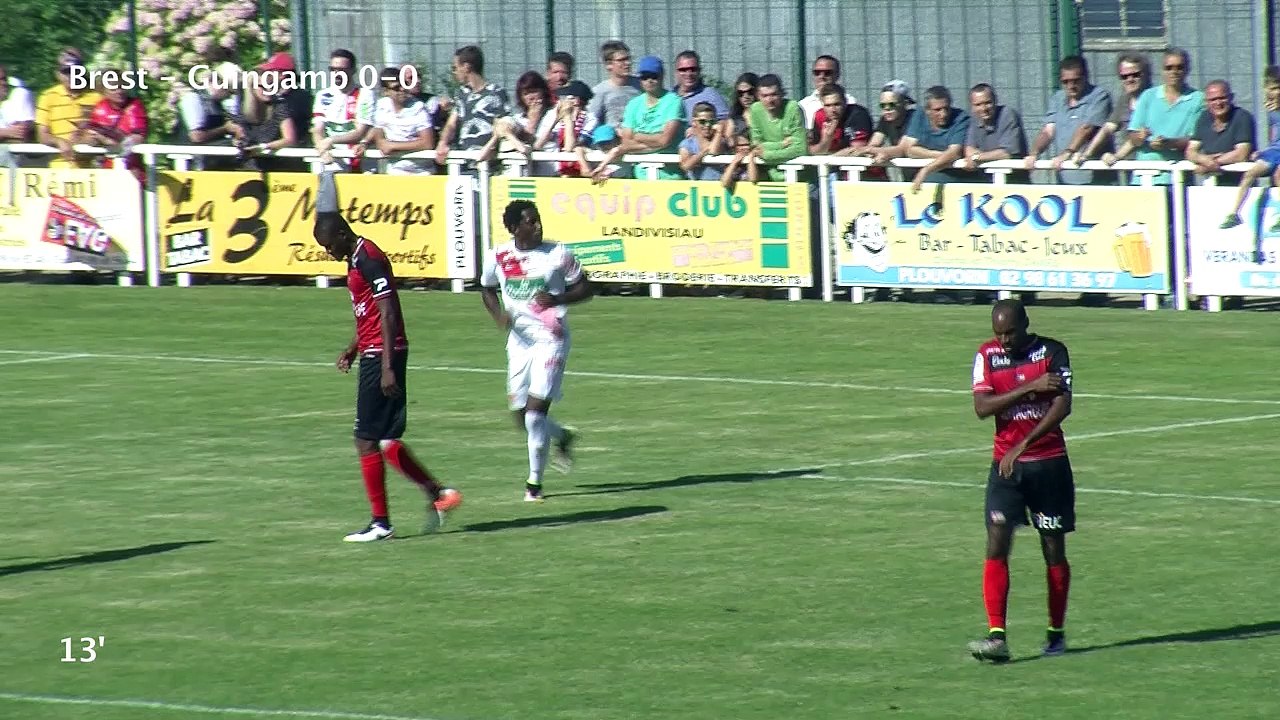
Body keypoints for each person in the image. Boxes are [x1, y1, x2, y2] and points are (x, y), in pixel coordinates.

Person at [312, 170, 462, 542]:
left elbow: (389, 311)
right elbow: (368, 312)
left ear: (343, 234)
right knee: (385, 440)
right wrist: (353, 347)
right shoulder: (355, 258)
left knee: (365, 439)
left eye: (329, 245)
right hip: (376, 350)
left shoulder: (369, 258)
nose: (329, 253)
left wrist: (387, 367)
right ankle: (439, 494)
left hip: (384, 354)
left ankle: (382, 523)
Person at [969, 299, 1075, 662]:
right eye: (999, 333)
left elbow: (1063, 405)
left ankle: (1055, 634)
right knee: (997, 541)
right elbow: (983, 408)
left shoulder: (1054, 351)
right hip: (1006, 469)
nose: (1004, 340)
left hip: (1048, 466)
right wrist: (1031, 387)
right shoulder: (987, 355)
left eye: (1010, 332)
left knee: (1053, 550)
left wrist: (1025, 444)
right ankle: (997, 636)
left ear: (1026, 323)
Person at [480, 200, 594, 501]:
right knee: (519, 415)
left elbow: (586, 288)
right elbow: (487, 288)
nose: (538, 225)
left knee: (533, 416)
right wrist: (498, 316)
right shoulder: (498, 255)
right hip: (519, 342)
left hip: (551, 339)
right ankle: (563, 436)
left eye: (539, 219)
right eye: (531, 221)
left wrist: (557, 299)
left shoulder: (558, 254)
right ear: (515, 227)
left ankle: (534, 485)